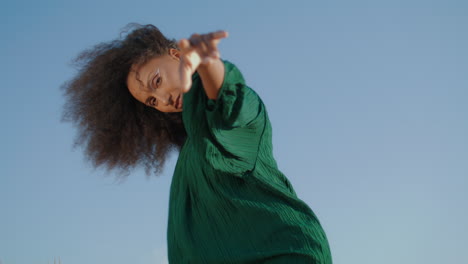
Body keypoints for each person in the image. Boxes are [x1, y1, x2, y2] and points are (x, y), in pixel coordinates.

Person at [62, 24, 332, 264]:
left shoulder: (225, 119)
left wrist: (207, 64)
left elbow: (227, 106)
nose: (163, 99)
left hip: (283, 253)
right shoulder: (191, 153)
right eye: (152, 101)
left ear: (177, 55)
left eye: (157, 81)